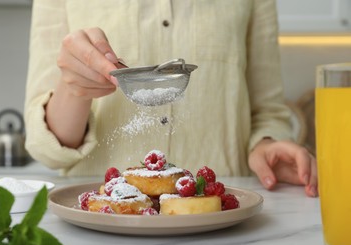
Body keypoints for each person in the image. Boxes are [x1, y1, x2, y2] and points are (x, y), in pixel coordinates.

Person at [24, 0, 318, 197]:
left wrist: (265, 144)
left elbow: (268, 112)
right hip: (103, 219)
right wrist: (75, 88)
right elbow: (45, 148)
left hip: (219, 219)